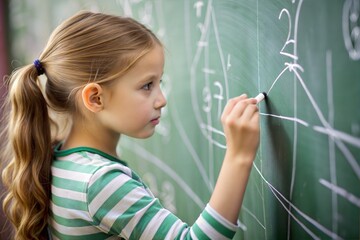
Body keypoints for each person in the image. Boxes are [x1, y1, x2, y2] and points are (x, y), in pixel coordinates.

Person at [1, 11, 260, 240]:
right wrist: (239, 155)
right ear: (95, 98)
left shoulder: (64, 160)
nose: (161, 99)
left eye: (159, 82)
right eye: (147, 86)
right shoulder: (100, 184)